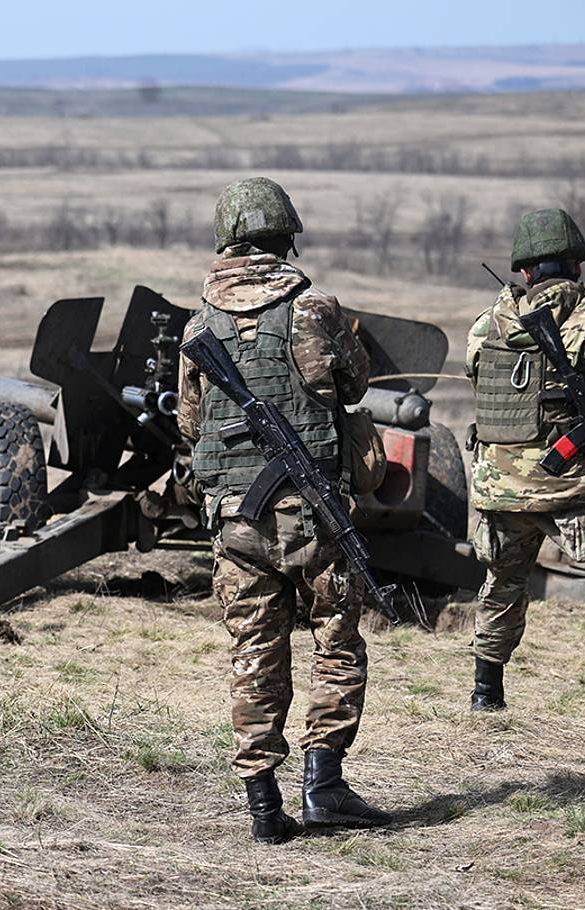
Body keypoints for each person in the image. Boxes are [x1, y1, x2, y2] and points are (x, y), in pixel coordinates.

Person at [178, 177, 390, 844]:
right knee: (335, 636)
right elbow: (354, 382)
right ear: (283, 238)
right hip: (310, 517)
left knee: (253, 650)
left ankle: (264, 806)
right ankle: (324, 782)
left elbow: (190, 425)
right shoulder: (313, 310)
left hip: (234, 521)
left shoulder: (198, 325)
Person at [465, 208, 585, 711]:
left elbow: (477, 379)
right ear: (577, 266)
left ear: (525, 272)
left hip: (500, 489)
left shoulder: (486, 325)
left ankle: (486, 691)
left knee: (501, 585)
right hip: (572, 486)